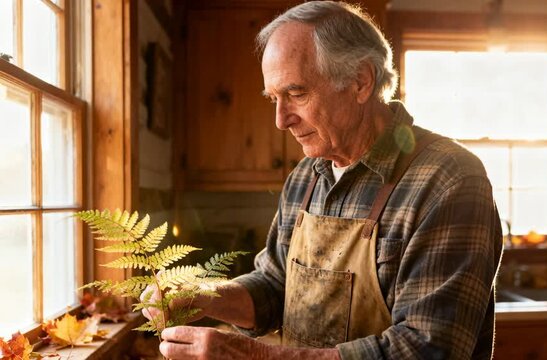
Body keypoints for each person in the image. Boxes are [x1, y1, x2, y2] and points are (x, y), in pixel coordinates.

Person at [143, 1, 503, 359]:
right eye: (273, 99)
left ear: (361, 81)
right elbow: (274, 286)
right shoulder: (307, 175)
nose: (281, 120)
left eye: (297, 94)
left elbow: (428, 349)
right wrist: (202, 297)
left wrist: (255, 357)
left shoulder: (448, 180)